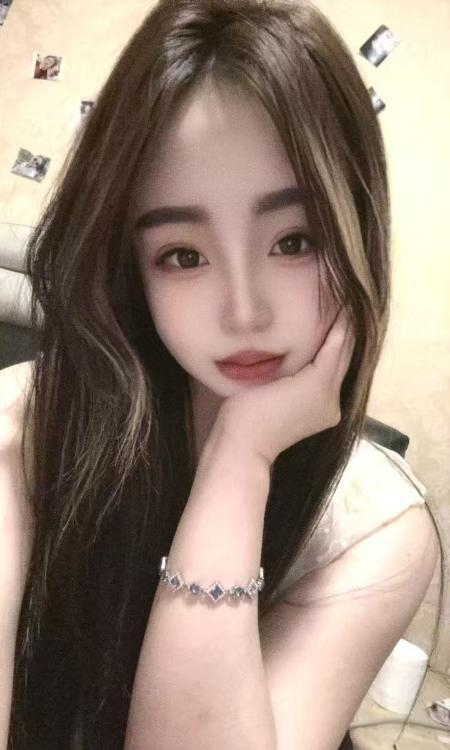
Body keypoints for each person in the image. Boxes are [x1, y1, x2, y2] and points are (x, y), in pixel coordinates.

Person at [0, 1, 442, 749]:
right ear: (132, 270)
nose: (244, 313)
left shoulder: (375, 531)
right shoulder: (23, 435)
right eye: (183, 255)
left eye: (295, 241)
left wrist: (241, 460)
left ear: (358, 229)